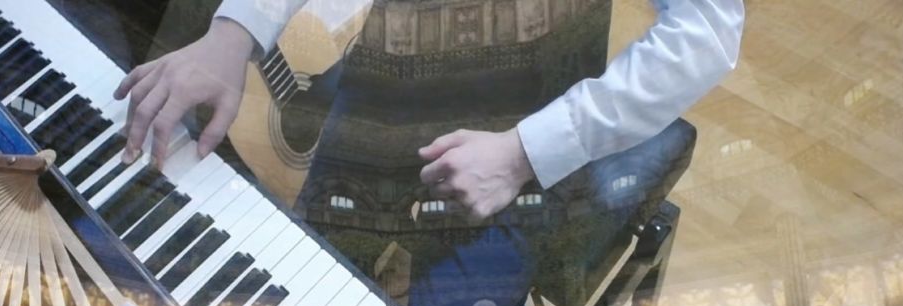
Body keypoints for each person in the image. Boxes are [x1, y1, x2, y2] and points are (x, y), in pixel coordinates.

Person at [113, 0, 745, 213]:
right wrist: (234, 33)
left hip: (504, 141)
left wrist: (526, 152)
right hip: (364, 88)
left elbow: (706, 31)